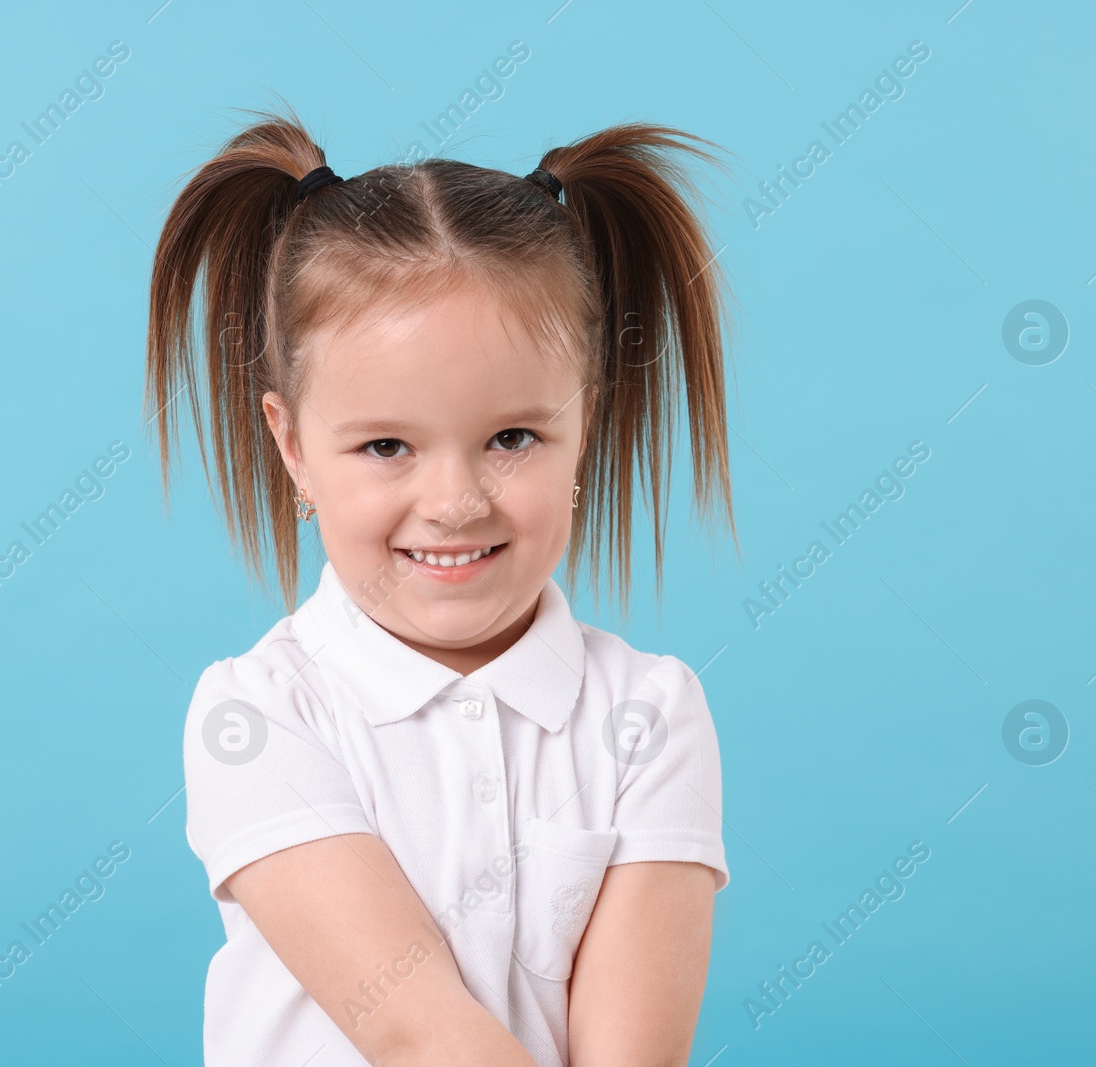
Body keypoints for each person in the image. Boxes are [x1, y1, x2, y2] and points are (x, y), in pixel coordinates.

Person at [147, 102, 738, 1067]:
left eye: (512, 437)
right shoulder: (255, 715)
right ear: (293, 446)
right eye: (387, 445)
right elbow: (423, 1035)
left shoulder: (651, 715)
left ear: (584, 425)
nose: (455, 502)